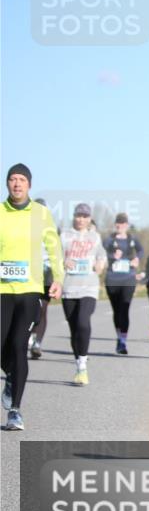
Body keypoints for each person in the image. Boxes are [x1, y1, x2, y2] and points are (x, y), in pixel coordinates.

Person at [1, 164, 64, 430]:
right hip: (2, 290)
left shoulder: (40, 214)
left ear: (29, 185)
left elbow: (53, 247)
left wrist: (58, 279)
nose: (17, 184)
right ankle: (12, 376)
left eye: (22, 180)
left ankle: (15, 410)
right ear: (7, 184)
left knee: (18, 345)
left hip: (29, 291)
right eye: (12, 179)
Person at [60, 202, 107, 385]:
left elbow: (102, 255)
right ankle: (78, 362)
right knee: (74, 330)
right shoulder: (64, 235)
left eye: (85, 216)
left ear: (89, 219)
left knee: (83, 322)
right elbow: (54, 255)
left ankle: (82, 364)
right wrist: (64, 261)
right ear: (74, 216)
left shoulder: (95, 236)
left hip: (89, 287)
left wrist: (100, 264)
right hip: (69, 287)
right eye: (78, 216)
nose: (81, 219)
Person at [104, 212, 144, 355]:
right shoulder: (109, 240)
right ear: (116, 225)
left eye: (123, 223)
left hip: (128, 279)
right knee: (116, 311)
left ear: (127, 225)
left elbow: (141, 250)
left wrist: (137, 259)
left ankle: (123, 341)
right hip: (112, 279)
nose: (120, 225)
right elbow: (100, 254)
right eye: (118, 223)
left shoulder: (132, 239)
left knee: (125, 309)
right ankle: (119, 336)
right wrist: (111, 256)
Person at [27, 198, 53, 359]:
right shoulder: (24, 228)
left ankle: (37, 343)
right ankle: (29, 337)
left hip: (46, 275)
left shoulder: (51, 230)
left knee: (42, 309)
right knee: (30, 308)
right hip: (28, 275)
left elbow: (58, 253)